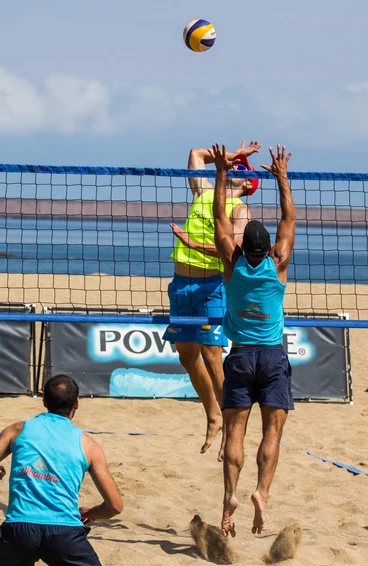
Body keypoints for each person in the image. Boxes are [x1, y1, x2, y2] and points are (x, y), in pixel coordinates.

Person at [210, 144, 295, 537]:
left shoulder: (231, 264)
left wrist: (223, 174)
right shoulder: (278, 264)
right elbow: (288, 219)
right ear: (272, 251)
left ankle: (230, 496)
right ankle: (260, 492)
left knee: (234, 434)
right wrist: (281, 177)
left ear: (243, 248)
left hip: (240, 357)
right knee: (272, 433)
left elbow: (219, 219)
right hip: (273, 358)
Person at [164, 140, 261, 458]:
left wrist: (192, 245)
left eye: (242, 168)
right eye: (235, 164)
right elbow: (194, 154)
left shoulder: (240, 210)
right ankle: (213, 415)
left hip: (212, 288)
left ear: (248, 184)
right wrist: (233, 155)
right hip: (181, 285)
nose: (236, 166)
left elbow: (234, 251)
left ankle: (232, 423)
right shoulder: (203, 192)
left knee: (212, 355)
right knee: (186, 357)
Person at [0, 373, 123, 566]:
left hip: (19, 531)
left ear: (44, 401)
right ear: (76, 403)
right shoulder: (89, 446)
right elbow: (115, 506)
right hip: (65, 534)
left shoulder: (16, 431)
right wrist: (91, 512)